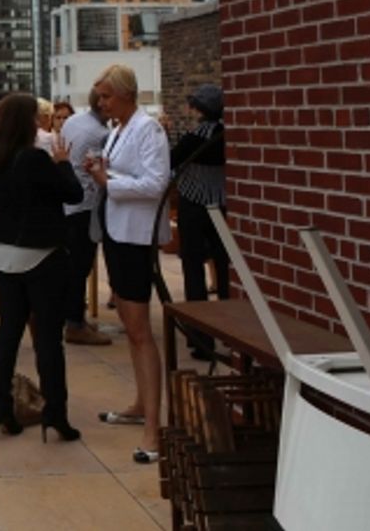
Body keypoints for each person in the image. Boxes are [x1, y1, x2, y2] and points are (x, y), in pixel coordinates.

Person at [0, 93, 86, 442]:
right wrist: (64, 162)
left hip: (2, 253)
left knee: (8, 331)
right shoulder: (35, 159)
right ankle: (56, 412)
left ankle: (3, 409)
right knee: (48, 339)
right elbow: (73, 195)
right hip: (41, 253)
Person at [85, 64, 171, 465]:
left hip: (135, 239)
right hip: (117, 234)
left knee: (140, 334)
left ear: (125, 94)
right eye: (100, 97)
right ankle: (141, 404)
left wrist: (109, 182)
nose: (101, 103)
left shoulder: (148, 129)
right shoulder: (119, 129)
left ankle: (153, 425)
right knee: (132, 330)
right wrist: (104, 173)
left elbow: (156, 183)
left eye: (106, 96)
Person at [170, 84, 228, 359]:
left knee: (193, 269)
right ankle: (231, 331)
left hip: (193, 205)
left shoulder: (193, 139)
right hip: (223, 205)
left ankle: (200, 337)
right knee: (225, 267)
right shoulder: (227, 136)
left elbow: (170, 163)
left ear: (198, 110)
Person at [60, 89, 112, 346]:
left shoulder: (73, 121)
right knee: (80, 266)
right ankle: (75, 324)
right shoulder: (101, 134)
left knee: (72, 266)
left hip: (67, 203)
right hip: (84, 204)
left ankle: (73, 317)